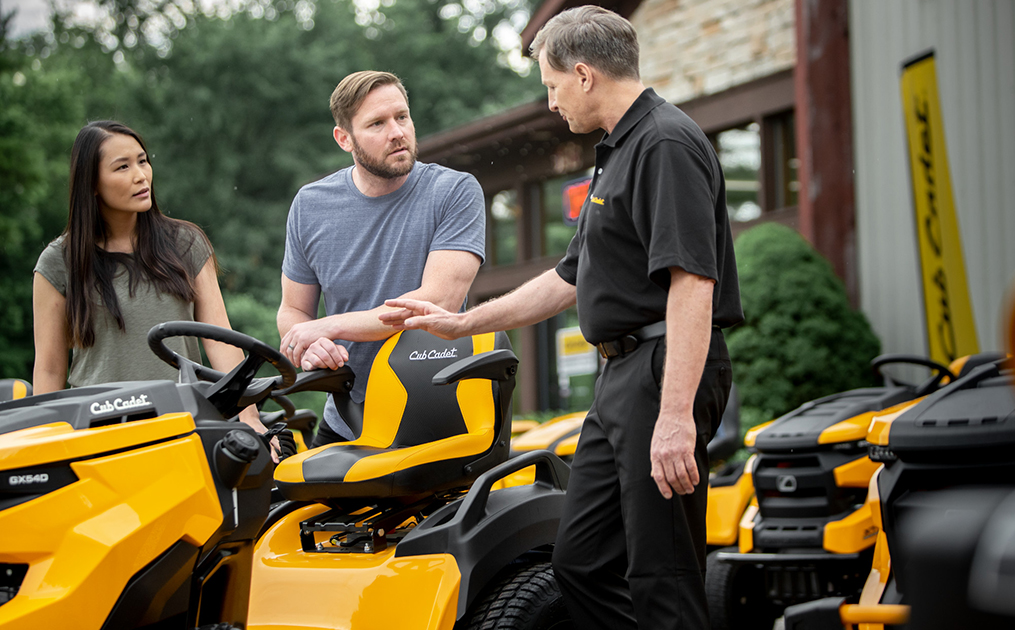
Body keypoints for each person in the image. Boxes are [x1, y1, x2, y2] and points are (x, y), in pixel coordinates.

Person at [380, 7, 743, 629]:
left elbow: (692, 284)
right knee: (582, 562)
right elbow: (567, 278)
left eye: (550, 87)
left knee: (662, 572)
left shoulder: (664, 144)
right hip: (621, 380)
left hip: (662, 375)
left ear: (582, 75)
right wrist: (462, 323)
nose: (550, 103)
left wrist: (676, 417)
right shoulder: (619, 151)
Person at [33, 120, 284, 459]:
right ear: (92, 183)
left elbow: (220, 340)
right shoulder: (58, 262)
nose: (141, 175)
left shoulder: (186, 243)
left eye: (143, 160)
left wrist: (248, 419)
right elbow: (49, 369)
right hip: (97, 437)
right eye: (122, 167)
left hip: (184, 426)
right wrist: (41, 444)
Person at [277, 71, 485, 446]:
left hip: (435, 407)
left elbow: (436, 304)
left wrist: (329, 326)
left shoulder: (454, 191)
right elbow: (293, 311)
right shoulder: (309, 206)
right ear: (344, 139)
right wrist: (309, 344)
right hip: (345, 417)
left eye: (402, 117)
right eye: (377, 123)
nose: (397, 132)